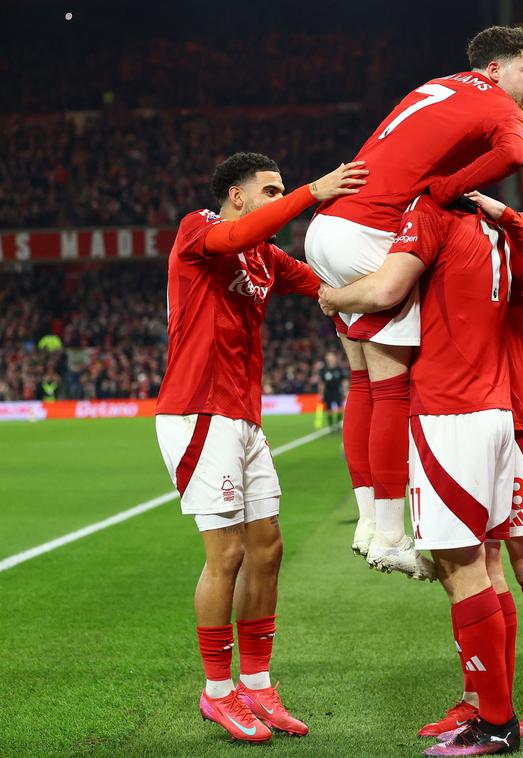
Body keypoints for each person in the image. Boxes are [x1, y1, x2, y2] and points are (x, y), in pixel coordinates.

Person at [304, 25, 523, 576]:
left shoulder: (435, 86)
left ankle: (369, 522)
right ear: (494, 70)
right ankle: (390, 533)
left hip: (328, 227)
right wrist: (447, 187)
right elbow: (510, 154)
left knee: (362, 380)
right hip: (371, 231)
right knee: (393, 388)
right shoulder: (498, 107)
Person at [154, 152, 366, 743]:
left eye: (282, 189)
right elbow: (243, 233)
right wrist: (311, 191)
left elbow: (327, 290)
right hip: (198, 411)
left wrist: (393, 280)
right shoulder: (199, 228)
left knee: (267, 549)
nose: (279, 197)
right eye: (269, 190)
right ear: (237, 196)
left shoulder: (265, 257)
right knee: (225, 556)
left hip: (243, 417)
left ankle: (257, 683)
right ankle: (217, 692)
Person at [317, 193, 523, 755]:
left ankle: (496, 723)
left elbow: (385, 290)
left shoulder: (430, 214)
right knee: (486, 563)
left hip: (450, 414)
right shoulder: (497, 226)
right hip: (496, 408)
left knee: (462, 572)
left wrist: (334, 297)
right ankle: (485, 704)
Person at [417, 192, 523, 742]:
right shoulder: (435, 229)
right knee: (475, 564)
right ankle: (481, 697)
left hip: (517, 418)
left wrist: (511, 218)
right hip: (464, 417)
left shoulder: (503, 234)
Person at [318, 350, 348, 430]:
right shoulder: (324, 370)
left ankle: (338, 424)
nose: (330, 358)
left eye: (331, 357)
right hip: (328, 392)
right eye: (328, 357)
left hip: (337, 391)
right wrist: (320, 393)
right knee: (329, 409)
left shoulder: (339, 369)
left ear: (334, 358)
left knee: (340, 408)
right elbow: (322, 382)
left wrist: (345, 391)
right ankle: (331, 426)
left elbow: (344, 381)